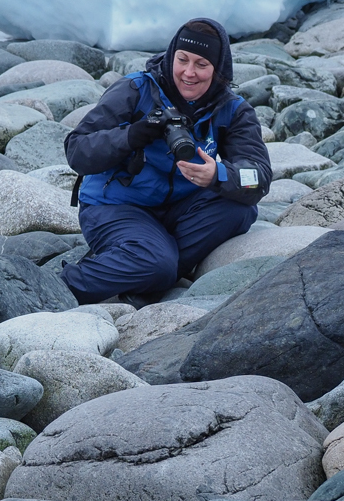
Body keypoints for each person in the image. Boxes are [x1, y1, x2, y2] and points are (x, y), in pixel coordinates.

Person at [61, 18, 271, 308]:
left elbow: (258, 177)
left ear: (218, 69)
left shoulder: (232, 110)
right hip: (116, 206)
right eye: (182, 59)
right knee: (158, 262)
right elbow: (76, 150)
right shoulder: (136, 90)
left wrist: (218, 174)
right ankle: (63, 286)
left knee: (240, 209)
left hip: (180, 207)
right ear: (172, 55)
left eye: (201, 64)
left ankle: (145, 270)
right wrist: (130, 136)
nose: (189, 72)